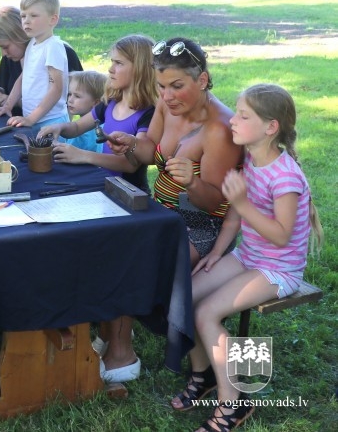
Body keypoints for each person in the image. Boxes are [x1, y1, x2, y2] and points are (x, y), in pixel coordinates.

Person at [170, 83, 323, 432]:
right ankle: (205, 373)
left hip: (278, 270)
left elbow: (280, 235)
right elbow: (235, 219)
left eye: (243, 116)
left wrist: (240, 203)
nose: (232, 121)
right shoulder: (251, 159)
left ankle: (234, 404)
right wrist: (218, 253)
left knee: (206, 313)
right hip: (247, 256)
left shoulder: (285, 177)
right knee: (184, 296)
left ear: (271, 127)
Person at [100, 37, 241, 385]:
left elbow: (213, 204)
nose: (166, 96)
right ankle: (112, 333)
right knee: (104, 243)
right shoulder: (167, 105)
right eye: (161, 86)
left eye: (177, 86)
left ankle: (122, 350)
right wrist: (133, 144)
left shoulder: (219, 130)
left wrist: (190, 182)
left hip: (202, 226)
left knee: (139, 267)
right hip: (162, 212)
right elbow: (152, 152)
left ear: (203, 80)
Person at [39, 35, 157, 192]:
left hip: (130, 194)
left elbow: (130, 165)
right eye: (112, 62)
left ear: (140, 69)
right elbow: (76, 127)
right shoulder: (110, 103)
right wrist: (59, 127)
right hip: (103, 186)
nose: (111, 69)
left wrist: (82, 155)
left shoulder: (148, 113)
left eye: (119, 63)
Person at [0, 0, 70, 134]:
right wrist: (7, 106)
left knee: (49, 157)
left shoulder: (53, 47)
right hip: (35, 120)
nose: (26, 20)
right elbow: (23, 78)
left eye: (33, 16)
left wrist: (31, 119)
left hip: (51, 121)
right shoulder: (33, 44)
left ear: (53, 20)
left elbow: (56, 89)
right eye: (23, 16)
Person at [0, 5, 83, 115]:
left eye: (5, 47)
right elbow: (10, 92)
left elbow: (78, 105)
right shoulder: (11, 58)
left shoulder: (60, 52)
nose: (4, 53)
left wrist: (16, 103)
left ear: (19, 35)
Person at [63, 70, 107, 152]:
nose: (70, 100)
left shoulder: (82, 132)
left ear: (96, 103)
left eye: (77, 96)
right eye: (69, 94)